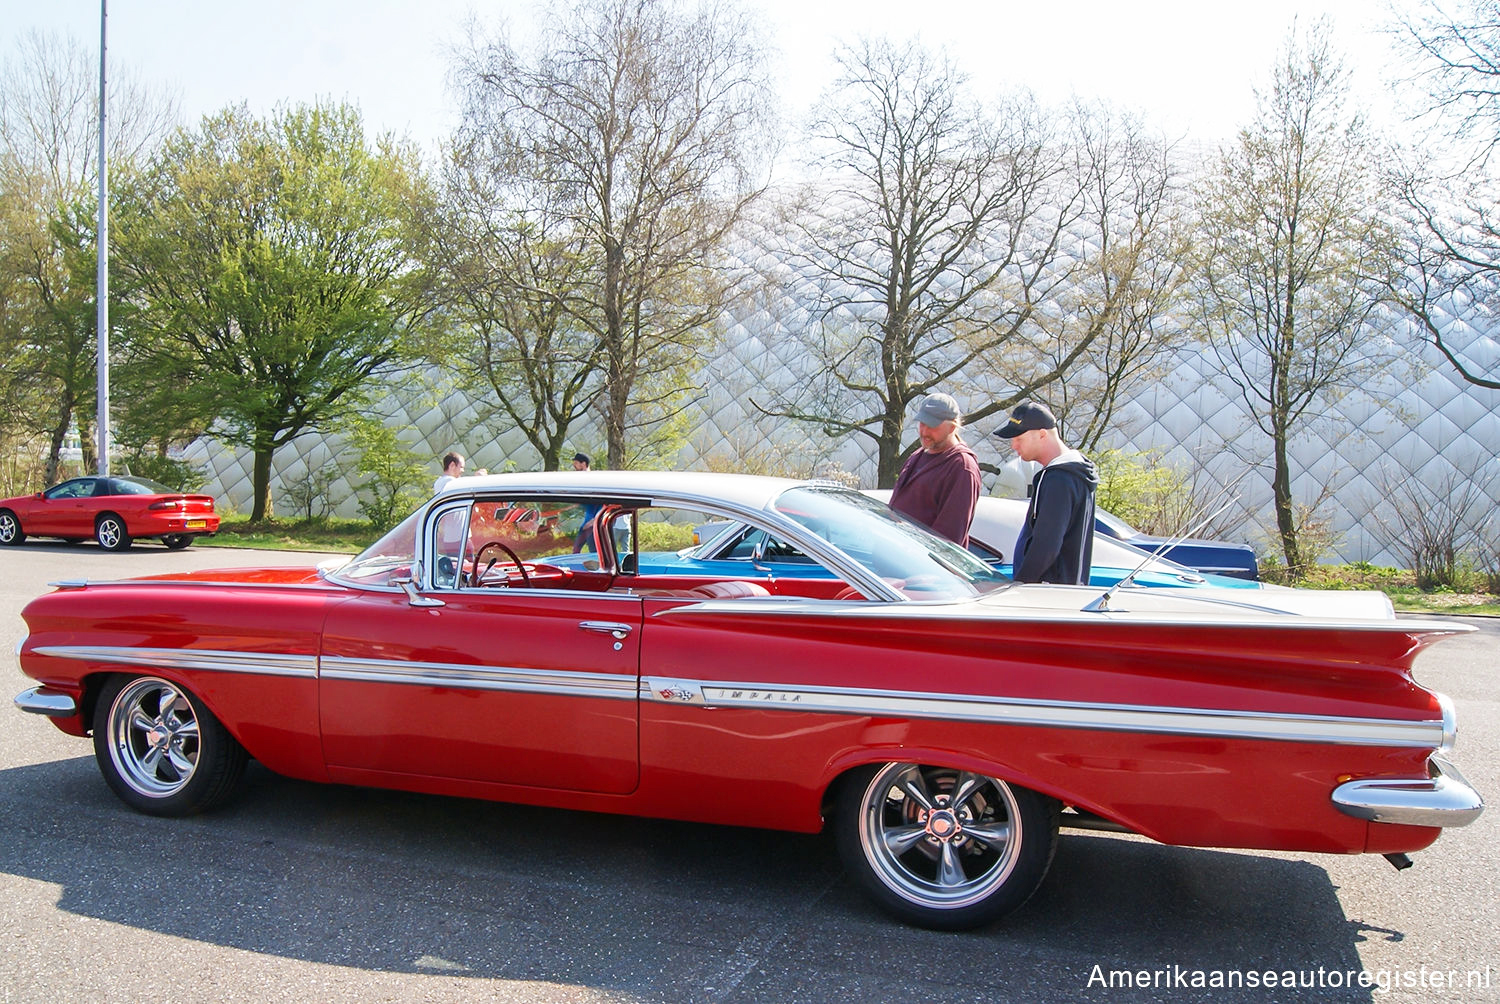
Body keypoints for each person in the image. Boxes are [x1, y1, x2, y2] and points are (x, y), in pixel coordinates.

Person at [994, 401, 1097, 584]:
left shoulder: (1059, 479)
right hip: (1059, 592)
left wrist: (1021, 585)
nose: (1013, 446)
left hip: (1046, 593)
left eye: (1019, 438)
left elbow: (1047, 545)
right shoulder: (1072, 474)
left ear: (1042, 434)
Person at [888, 392, 982, 546]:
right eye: (922, 423)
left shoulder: (962, 467)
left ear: (952, 427)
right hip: (895, 557)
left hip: (921, 565)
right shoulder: (917, 455)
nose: (924, 431)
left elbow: (948, 540)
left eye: (931, 425)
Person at [571, 452, 602, 552]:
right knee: (576, 549)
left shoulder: (594, 480)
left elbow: (603, 501)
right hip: (584, 523)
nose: (574, 466)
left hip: (592, 524)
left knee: (593, 551)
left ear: (583, 464)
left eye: (576, 463)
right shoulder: (580, 481)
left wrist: (594, 520)